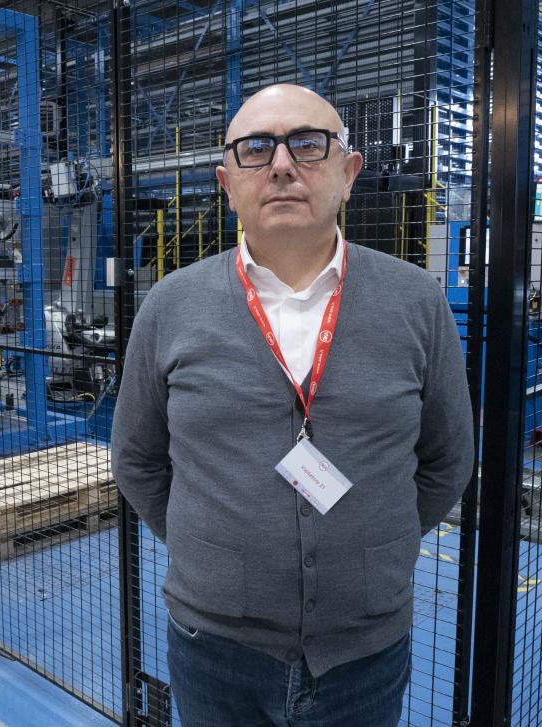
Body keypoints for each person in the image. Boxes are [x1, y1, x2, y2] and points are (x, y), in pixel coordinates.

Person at [111, 84, 474, 727]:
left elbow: (447, 460)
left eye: (307, 144)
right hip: (212, 648)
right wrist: (210, 551)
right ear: (227, 184)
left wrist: (373, 545)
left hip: (364, 651)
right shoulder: (171, 306)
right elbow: (137, 460)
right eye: (255, 149)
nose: (281, 165)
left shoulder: (417, 302)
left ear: (349, 172)